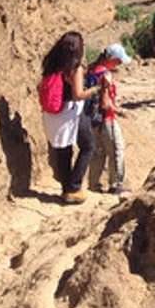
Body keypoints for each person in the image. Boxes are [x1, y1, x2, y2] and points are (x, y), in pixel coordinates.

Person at [39, 30, 98, 202]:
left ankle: (66, 189)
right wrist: (96, 89)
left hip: (54, 113)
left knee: (63, 151)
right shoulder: (75, 68)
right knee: (88, 146)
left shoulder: (51, 63)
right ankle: (74, 187)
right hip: (72, 113)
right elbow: (78, 94)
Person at [86, 43, 129, 196]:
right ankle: (116, 184)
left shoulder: (90, 70)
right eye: (118, 61)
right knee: (116, 149)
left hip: (91, 119)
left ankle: (93, 184)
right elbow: (105, 103)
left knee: (98, 152)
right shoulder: (105, 76)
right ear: (110, 59)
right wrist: (120, 111)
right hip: (106, 119)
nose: (119, 64)